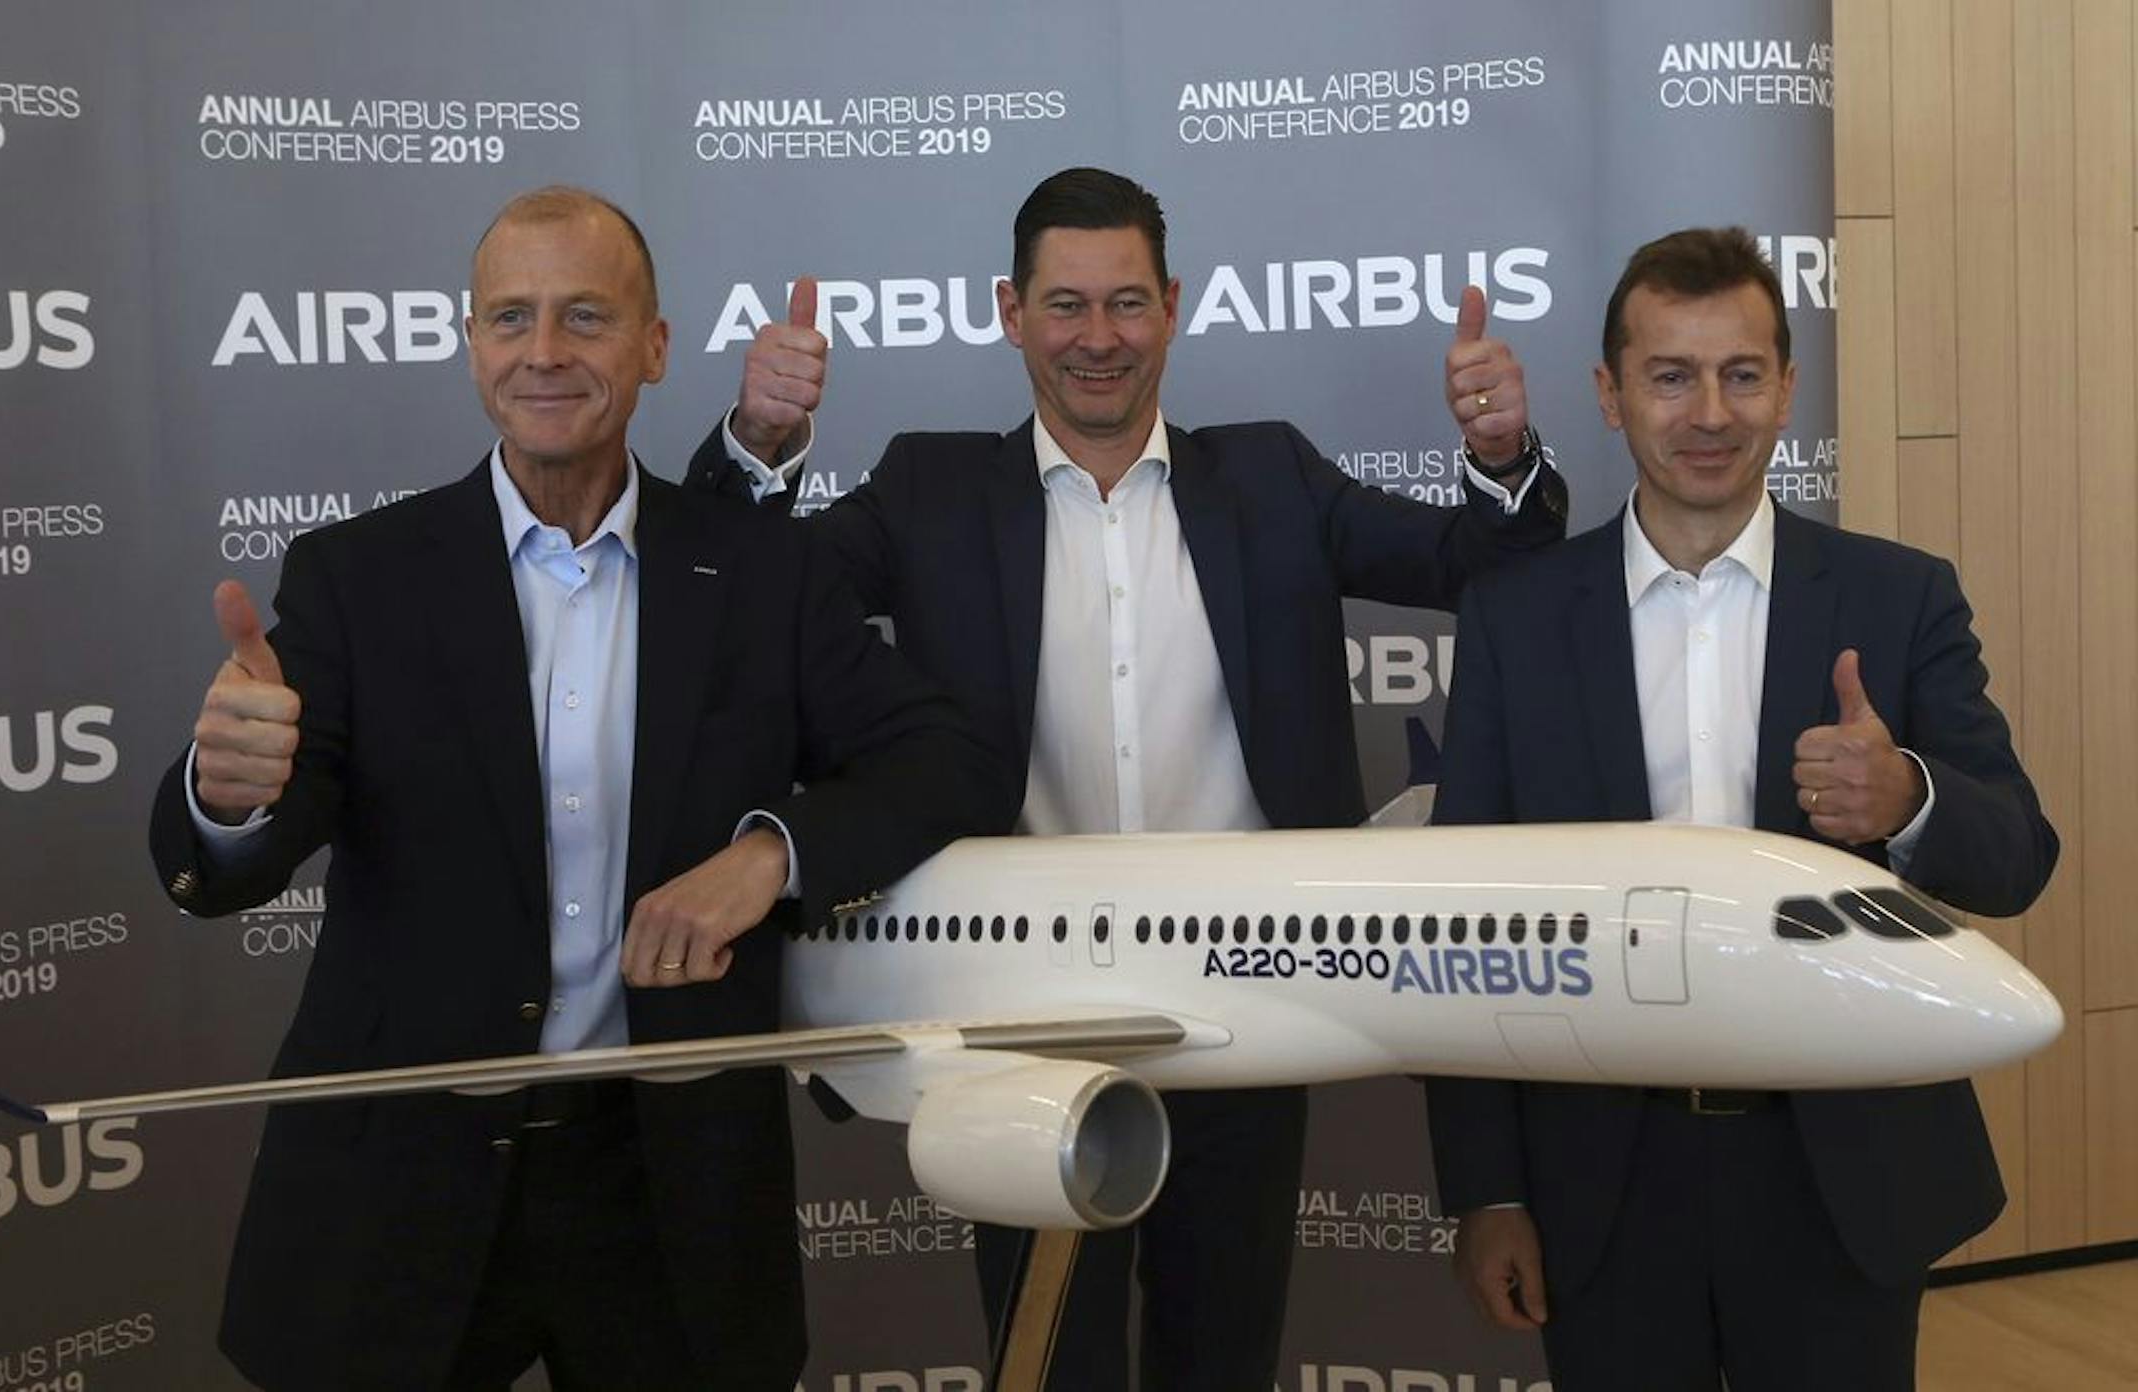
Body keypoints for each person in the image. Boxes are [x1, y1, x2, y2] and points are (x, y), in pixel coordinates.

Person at [687, 167, 1568, 1391]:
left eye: (1125, 303)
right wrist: (761, 445)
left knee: (1225, 1358)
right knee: (1052, 1367)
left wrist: (1501, 455)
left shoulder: (1272, 478)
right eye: (1065, 304)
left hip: (1249, 1008)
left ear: (1173, 307)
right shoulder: (930, 490)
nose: (1096, 337)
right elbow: (743, 597)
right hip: (1017, 1023)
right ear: (1011, 311)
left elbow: (1487, 563)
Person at [150, 186, 1009, 1391]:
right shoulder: (361, 576)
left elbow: (949, 757)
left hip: (668, 1190)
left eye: (585, 317)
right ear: (472, 346)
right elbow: (248, 840)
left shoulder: (764, 570)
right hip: (401, 1188)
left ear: (654, 348)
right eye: (511, 318)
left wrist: (770, 854)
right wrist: (229, 794)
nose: (544, 352)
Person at [1425, 226, 2059, 1391]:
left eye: (1742, 374)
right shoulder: (1516, 618)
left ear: (1787, 388)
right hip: (1600, 1177)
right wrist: (1489, 1189)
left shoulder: (1901, 596)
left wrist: (1907, 796)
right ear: (1611, 395)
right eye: (1672, 376)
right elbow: (1464, 923)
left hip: (1841, 1172)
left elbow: (2019, 857)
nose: (1710, 413)